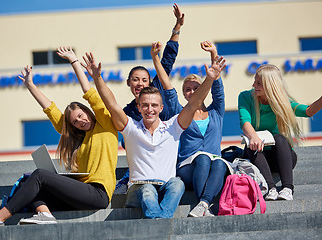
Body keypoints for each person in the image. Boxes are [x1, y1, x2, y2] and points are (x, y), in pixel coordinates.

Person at [0, 47, 118, 228]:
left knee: (39, 176)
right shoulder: (80, 138)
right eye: (75, 122)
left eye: (81, 115)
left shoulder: (106, 124)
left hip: (98, 193)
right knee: (26, 182)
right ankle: (45, 215)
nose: (80, 121)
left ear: (87, 111)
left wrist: (74, 61)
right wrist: (31, 85)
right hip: (81, 192)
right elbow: (51, 111)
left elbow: (89, 92)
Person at [80, 51, 226, 219]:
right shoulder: (131, 128)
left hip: (165, 188)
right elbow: (111, 105)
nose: (150, 109)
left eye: (154, 105)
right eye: (145, 105)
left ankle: (157, 222)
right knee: (148, 189)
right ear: (139, 107)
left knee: (177, 183)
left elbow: (193, 104)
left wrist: (209, 79)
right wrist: (97, 78)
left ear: (161, 108)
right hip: (138, 189)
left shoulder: (172, 126)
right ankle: (161, 223)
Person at [150, 41, 231, 217]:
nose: (192, 92)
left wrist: (213, 54)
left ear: (203, 89)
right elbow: (167, 88)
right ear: (184, 94)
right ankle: (204, 204)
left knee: (219, 162)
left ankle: (203, 204)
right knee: (203, 158)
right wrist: (155, 58)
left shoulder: (216, 111)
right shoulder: (179, 113)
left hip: (213, 167)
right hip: (188, 167)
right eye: (187, 89)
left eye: (196, 88)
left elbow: (217, 87)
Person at [115, 3, 185, 194]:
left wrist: (177, 27)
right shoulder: (127, 112)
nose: (140, 84)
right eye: (135, 80)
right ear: (129, 83)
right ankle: (129, 177)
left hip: (173, 149)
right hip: (144, 162)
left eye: (144, 80)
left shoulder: (158, 88)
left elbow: (168, 58)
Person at [238, 64, 322, 201]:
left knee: (280, 138)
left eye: (259, 83)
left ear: (270, 85)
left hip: (281, 158)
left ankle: (287, 188)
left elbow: (308, 111)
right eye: (255, 80)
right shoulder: (245, 97)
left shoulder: (282, 102)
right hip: (258, 158)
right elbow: (244, 121)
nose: (254, 85)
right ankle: (270, 189)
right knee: (252, 146)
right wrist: (253, 137)